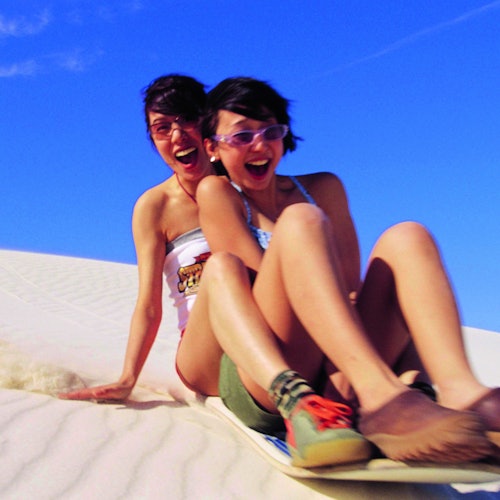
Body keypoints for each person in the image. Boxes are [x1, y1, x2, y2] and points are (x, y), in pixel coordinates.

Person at [59, 74, 372, 469]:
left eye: (187, 120)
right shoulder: (155, 207)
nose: (177, 136)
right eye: (162, 128)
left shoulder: (246, 188)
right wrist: (127, 377)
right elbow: (148, 304)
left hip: (268, 329)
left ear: (208, 127)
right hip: (204, 346)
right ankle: (295, 396)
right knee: (223, 267)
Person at [195, 76, 500, 464]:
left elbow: (350, 287)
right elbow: (259, 294)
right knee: (301, 221)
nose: (260, 145)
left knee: (408, 236)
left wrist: (347, 371)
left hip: (342, 364)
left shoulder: (323, 187)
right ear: (213, 148)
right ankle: (379, 397)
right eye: (242, 136)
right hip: (271, 366)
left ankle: (462, 392)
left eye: (270, 131)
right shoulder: (218, 193)